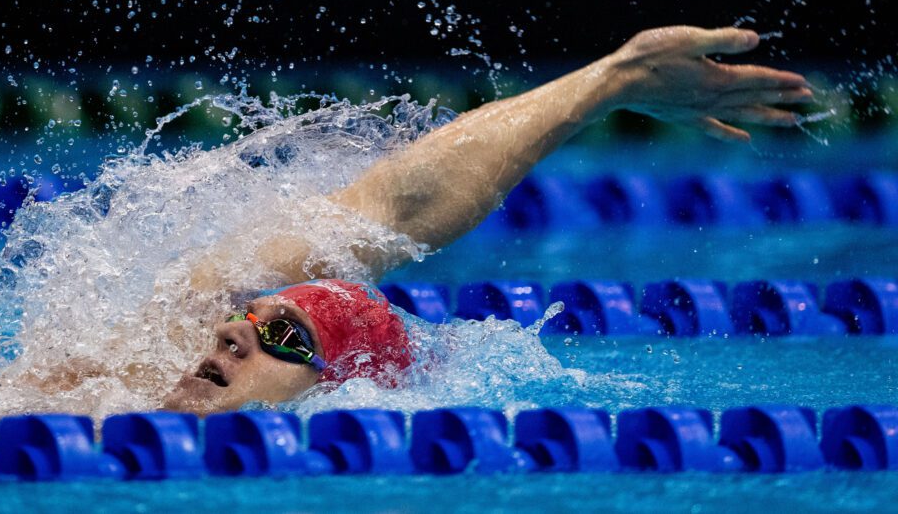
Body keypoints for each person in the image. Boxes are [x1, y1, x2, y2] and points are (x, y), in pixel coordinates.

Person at [161, 25, 813, 414]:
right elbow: (388, 209)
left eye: (287, 338)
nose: (228, 334)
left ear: (343, 396)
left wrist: (620, 79)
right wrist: (612, 80)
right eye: (246, 318)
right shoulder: (116, 367)